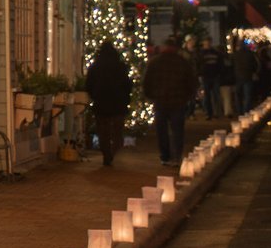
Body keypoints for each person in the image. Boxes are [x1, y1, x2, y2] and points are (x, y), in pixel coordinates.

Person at [145, 36, 198, 166]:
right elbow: (191, 81)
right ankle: (176, 156)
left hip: (160, 101)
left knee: (161, 131)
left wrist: (151, 96)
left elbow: (147, 81)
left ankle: (165, 156)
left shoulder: (155, 62)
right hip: (178, 102)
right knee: (177, 130)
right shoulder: (182, 62)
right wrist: (188, 97)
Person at [85, 41, 133, 166]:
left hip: (101, 104)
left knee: (103, 132)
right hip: (118, 104)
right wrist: (126, 99)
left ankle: (106, 153)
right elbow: (127, 85)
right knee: (117, 131)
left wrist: (94, 96)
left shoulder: (95, 67)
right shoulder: (120, 66)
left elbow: (88, 85)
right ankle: (113, 150)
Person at [232, 38, 258, 113]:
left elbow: (232, 65)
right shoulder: (249, 54)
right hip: (247, 76)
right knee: (247, 95)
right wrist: (253, 72)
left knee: (238, 95)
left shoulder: (235, 55)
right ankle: (246, 110)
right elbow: (255, 64)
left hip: (238, 76)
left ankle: (240, 111)